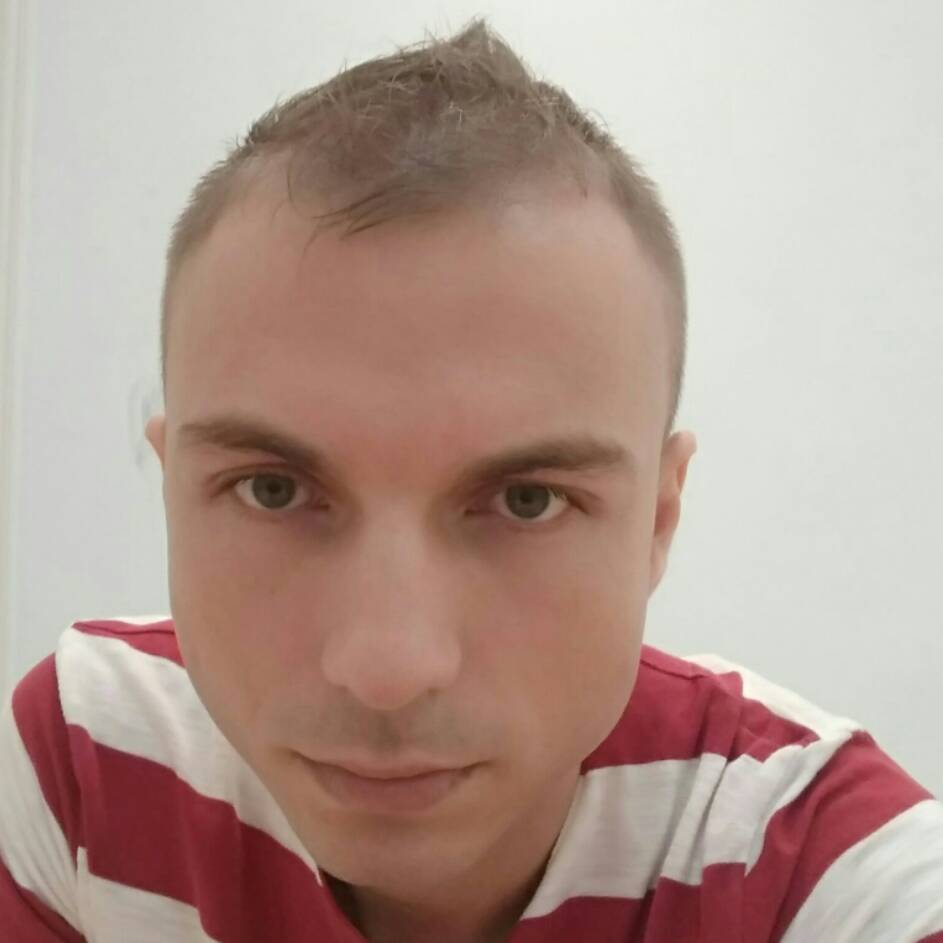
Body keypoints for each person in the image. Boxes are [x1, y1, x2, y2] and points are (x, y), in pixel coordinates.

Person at [2, 16, 941, 943]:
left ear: (658, 518)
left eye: (527, 500)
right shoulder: (86, 762)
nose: (387, 669)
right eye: (272, 489)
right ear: (173, 489)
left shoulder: (811, 864)